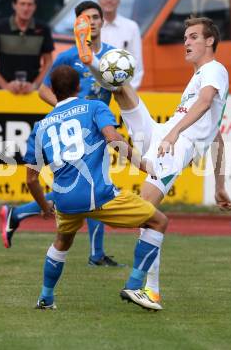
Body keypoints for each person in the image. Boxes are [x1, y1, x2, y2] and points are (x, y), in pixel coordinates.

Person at [84, 16, 231, 303]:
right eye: (185, 37)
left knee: (144, 209)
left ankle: (147, 288)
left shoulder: (215, 69)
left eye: (192, 37)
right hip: (162, 132)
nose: (185, 42)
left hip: (176, 143)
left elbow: (204, 104)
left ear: (210, 41)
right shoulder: (201, 74)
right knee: (120, 87)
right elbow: (216, 134)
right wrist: (220, 185)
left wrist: (174, 134)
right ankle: (92, 60)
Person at [24, 64, 167, 311]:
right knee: (158, 221)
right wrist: (143, 165)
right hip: (99, 196)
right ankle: (134, 284)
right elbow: (113, 139)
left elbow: (31, 179)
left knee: (62, 242)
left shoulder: (41, 127)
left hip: (65, 201)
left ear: (53, 92)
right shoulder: (94, 107)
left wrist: (44, 206)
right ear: (79, 87)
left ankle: (46, 298)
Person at [1, 1, 124, 267]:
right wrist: (68, 111)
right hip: (78, 130)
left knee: (89, 186)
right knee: (90, 186)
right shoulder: (68, 57)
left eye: (95, 17)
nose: (90, 22)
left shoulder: (113, 57)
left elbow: (122, 89)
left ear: (103, 22)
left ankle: (19, 214)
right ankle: (96, 254)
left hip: (98, 126)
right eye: (84, 18)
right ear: (77, 24)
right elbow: (44, 90)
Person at [0, 0, 54, 95]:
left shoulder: (43, 29)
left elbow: (48, 61)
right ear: (14, 5)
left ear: (35, 7)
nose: (26, 8)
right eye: (22, 4)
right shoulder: (0, 27)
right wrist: (4, 86)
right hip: (3, 93)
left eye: (30, 4)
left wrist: (35, 85)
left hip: (32, 94)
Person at [98, 0, 144, 89]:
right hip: (96, 89)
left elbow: (137, 63)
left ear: (118, 1)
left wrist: (128, 91)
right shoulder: (92, 27)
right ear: (99, 1)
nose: (109, 0)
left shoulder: (131, 27)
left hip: (123, 89)